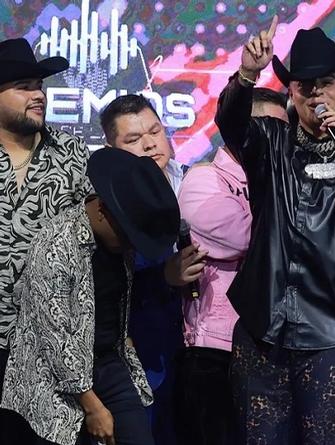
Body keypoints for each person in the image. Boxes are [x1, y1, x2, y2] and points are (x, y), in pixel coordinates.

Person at [217, 17, 335, 444]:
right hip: (264, 329)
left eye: (326, 83)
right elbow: (231, 124)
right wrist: (246, 74)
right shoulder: (270, 142)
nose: (316, 94)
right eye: (305, 85)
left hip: (331, 333)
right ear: (292, 92)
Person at [1, 148, 180, 445]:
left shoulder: (118, 242)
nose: (130, 246)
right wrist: (92, 406)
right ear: (102, 210)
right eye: (127, 235)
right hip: (52, 377)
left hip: (107, 362)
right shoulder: (56, 244)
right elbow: (55, 338)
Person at [173, 87, 288, 445]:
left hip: (274, 345)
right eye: (272, 128)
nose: (281, 139)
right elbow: (244, 237)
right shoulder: (203, 179)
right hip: (216, 350)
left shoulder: (281, 180)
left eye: (286, 130)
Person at [0, 37, 92, 442]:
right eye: (24, 87)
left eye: (40, 86)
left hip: (48, 347)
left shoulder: (73, 153)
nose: (38, 95)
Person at [100, 94, 204, 445]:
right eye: (133, 139)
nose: (149, 144)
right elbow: (104, 287)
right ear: (111, 149)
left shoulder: (197, 182)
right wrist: (163, 278)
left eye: (155, 131)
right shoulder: (104, 208)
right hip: (144, 352)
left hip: (205, 347)